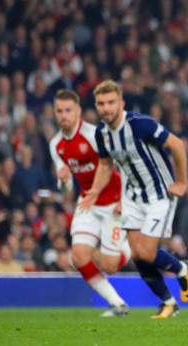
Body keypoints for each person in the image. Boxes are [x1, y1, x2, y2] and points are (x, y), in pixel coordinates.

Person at [78, 80, 188, 318]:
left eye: (111, 103)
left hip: (160, 194)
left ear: (120, 103)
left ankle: (182, 268)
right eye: (101, 104)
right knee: (137, 254)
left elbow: (177, 145)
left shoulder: (140, 124)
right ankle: (169, 303)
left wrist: (182, 182)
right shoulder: (102, 133)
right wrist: (94, 190)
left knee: (147, 253)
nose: (106, 108)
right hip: (132, 196)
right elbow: (105, 165)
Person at [49, 89, 131, 317]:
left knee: (110, 267)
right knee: (78, 257)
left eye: (68, 110)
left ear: (78, 112)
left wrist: (125, 199)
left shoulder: (95, 134)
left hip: (113, 202)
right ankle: (117, 304)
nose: (63, 115)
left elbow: (122, 165)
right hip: (87, 202)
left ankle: (129, 246)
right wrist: (63, 180)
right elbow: (65, 188)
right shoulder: (55, 144)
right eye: (59, 111)